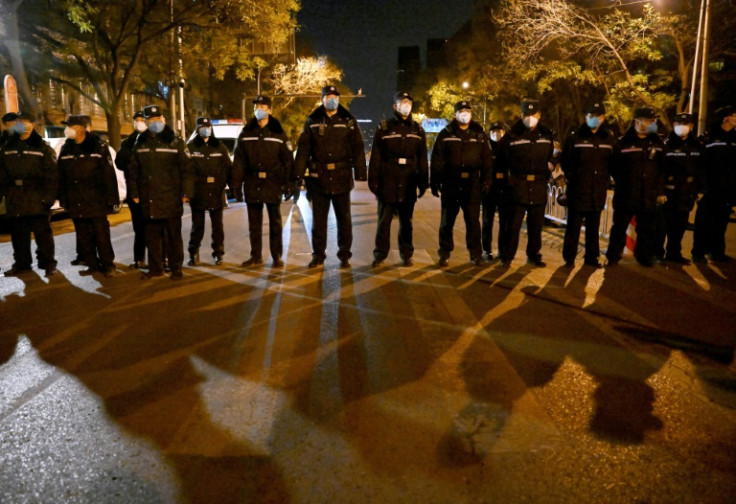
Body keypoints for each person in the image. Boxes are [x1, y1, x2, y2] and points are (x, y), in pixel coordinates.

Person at [295, 85, 367, 268]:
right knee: (319, 222)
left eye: (335, 96)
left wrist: (360, 172)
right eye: (328, 96)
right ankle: (318, 255)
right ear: (322, 99)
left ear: (339, 99)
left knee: (344, 221)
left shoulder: (348, 120)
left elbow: (358, 147)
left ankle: (344, 255)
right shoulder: (312, 120)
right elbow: (303, 150)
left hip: (342, 177)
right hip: (318, 179)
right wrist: (297, 175)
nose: (332, 99)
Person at [128, 105, 193, 279]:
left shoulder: (175, 141)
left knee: (173, 236)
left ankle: (176, 268)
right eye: (151, 119)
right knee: (152, 237)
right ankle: (156, 268)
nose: (155, 122)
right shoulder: (140, 142)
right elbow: (133, 170)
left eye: (158, 119)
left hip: (171, 197)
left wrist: (186, 192)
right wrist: (134, 192)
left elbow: (187, 169)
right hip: (148, 198)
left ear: (163, 119)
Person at [231, 95, 296, 268]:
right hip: (252, 182)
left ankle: (276, 256)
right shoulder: (246, 134)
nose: (259, 109)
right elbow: (239, 162)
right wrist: (236, 185)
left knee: (275, 223)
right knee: (254, 224)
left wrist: (290, 184)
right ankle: (256, 256)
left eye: (263, 106)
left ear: (270, 110)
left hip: (272, 182)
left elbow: (288, 161)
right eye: (256, 106)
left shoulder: (279, 134)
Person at [368, 91, 428, 267]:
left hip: (409, 181)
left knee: (406, 222)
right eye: (403, 102)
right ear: (395, 106)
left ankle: (407, 253)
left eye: (409, 102)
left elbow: (422, 158)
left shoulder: (417, 129)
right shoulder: (384, 128)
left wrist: (424, 182)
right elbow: (376, 157)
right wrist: (373, 180)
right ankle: (380, 254)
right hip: (388, 180)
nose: (406, 105)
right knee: (384, 222)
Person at [430, 100, 493, 267]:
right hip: (451, 182)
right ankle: (444, 252)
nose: (464, 113)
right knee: (447, 221)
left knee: (473, 221)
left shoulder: (479, 134)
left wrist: (487, 180)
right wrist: (435, 182)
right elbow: (437, 159)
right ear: (455, 114)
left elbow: (487, 160)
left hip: (472, 183)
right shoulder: (446, 134)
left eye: (467, 110)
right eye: (461, 111)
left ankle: (475, 254)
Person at [57, 115, 119, 277]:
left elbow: (108, 175)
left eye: (71, 126)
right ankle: (92, 263)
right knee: (83, 236)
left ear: (81, 128)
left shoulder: (98, 146)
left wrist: (112, 199)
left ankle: (107, 264)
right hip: (76, 200)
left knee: (101, 235)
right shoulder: (66, 148)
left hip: (96, 200)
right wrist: (63, 199)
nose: (67, 130)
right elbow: (61, 176)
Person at [496, 99, 555, 267]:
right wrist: (504, 182)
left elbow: (553, 153)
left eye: (533, 114)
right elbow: (501, 160)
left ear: (539, 115)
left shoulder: (546, 134)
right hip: (517, 187)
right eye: (527, 115)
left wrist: (551, 163)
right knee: (513, 225)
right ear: (521, 115)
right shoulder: (512, 135)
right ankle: (507, 256)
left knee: (536, 226)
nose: (530, 118)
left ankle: (534, 254)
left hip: (538, 185)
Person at [0, 111, 58, 277]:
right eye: (20, 122)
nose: (22, 125)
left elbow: (52, 176)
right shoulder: (8, 146)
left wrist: (48, 199)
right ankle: (22, 263)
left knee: (42, 235)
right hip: (15, 197)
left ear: (33, 124)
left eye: (26, 121)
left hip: (36, 196)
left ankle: (48, 264)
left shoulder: (42, 147)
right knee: (18, 235)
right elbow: (2, 174)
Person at [606, 107, 666, 267]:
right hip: (626, 194)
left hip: (648, 195)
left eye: (654, 121)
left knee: (647, 230)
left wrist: (659, 191)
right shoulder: (623, 142)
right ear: (637, 122)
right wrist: (625, 182)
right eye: (649, 121)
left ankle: (644, 256)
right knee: (619, 228)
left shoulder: (657, 143)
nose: (653, 124)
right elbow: (613, 167)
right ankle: (613, 255)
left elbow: (662, 169)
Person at [560, 102, 615, 268]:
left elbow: (612, 163)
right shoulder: (574, 138)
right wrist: (574, 178)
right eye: (591, 116)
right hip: (578, 191)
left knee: (593, 229)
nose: (595, 119)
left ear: (604, 118)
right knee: (573, 229)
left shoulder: (608, 139)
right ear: (586, 117)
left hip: (597, 192)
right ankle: (569, 258)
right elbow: (566, 162)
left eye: (598, 116)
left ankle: (591, 258)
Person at [657, 112, 704, 265]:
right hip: (669, 192)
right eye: (678, 124)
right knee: (662, 226)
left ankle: (674, 253)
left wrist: (700, 190)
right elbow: (660, 170)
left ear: (691, 126)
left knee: (679, 227)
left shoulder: (697, 146)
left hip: (687, 193)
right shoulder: (666, 144)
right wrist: (660, 191)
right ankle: (657, 253)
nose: (681, 127)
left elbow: (701, 170)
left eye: (685, 124)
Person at [692, 105, 736, 262]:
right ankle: (698, 252)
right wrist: (702, 187)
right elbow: (700, 164)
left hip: (727, 189)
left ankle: (717, 252)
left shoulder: (734, 139)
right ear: (726, 118)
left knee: (721, 222)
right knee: (704, 221)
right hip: (710, 188)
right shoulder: (708, 138)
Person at [186, 117, 232, 266]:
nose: (205, 129)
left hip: (216, 191)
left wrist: (234, 188)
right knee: (197, 226)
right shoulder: (191, 147)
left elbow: (228, 168)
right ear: (197, 129)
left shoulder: (219, 147)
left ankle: (218, 253)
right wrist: (187, 192)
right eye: (202, 127)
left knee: (217, 227)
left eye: (208, 126)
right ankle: (193, 253)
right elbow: (186, 171)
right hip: (198, 193)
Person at [115, 111, 148, 269]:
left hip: (152, 189)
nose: (139, 123)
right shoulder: (128, 142)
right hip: (134, 190)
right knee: (139, 227)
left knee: (156, 227)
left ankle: (162, 258)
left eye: (142, 120)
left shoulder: (153, 139)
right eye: (137, 120)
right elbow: (119, 162)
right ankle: (139, 258)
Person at [482, 121, 513, 262]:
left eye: (499, 130)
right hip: (489, 189)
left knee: (505, 222)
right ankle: (486, 250)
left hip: (505, 188)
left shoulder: (509, 147)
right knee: (487, 221)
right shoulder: (486, 147)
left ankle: (502, 250)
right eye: (493, 131)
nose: (496, 133)